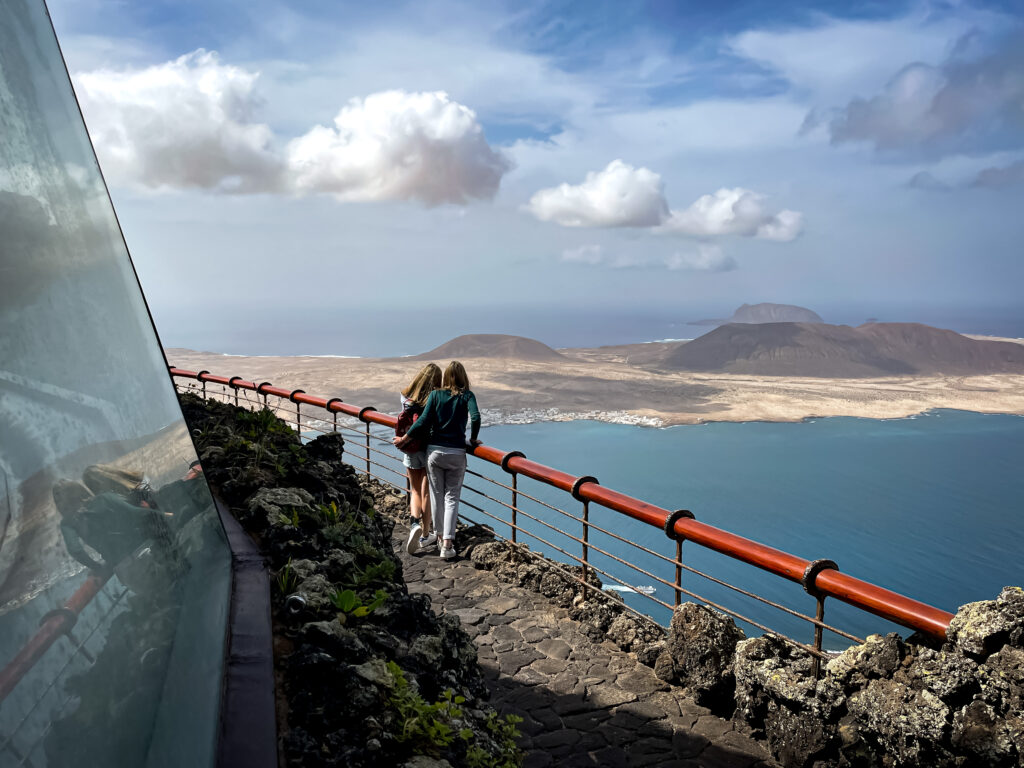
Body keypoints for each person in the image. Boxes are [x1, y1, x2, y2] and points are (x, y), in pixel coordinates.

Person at [393, 361, 481, 560]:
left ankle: (438, 536)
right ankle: (447, 544)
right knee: (451, 498)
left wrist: (405, 439)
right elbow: (475, 417)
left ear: (446, 377)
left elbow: (423, 421)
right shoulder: (467, 396)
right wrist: (473, 439)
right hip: (457, 453)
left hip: (433, 453)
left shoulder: (435, 395)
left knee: (436, 495)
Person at [398, 363, 442, 554]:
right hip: (429, 448)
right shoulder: (436, 397)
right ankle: (425, 534)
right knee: (426, 493)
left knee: (414, 489)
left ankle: (414, 522)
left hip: (411, 448)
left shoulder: (406, 396)